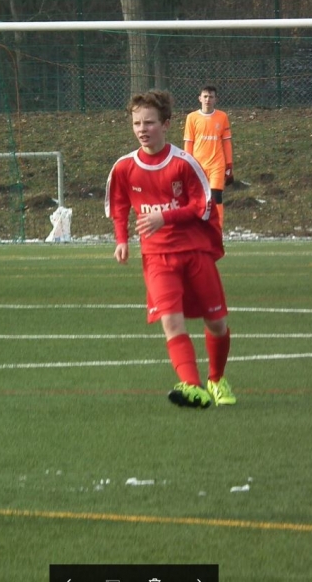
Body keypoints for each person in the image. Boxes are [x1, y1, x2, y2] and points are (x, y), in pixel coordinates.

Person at [106, 90, 234, 408]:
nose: (142, 129)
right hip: (157, 257)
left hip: (195, 253)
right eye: (137, 123)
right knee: (171, 322)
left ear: (165, 124)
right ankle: (191, 386)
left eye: (149, 122)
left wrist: (165, 216)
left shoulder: (184, 164)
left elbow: (203, 205)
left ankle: (216, 379)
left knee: (216, 323)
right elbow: (119, 204)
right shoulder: (124, 167)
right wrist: (121, 239)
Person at [183, 85, 234, 229]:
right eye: (205, 96)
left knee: (216, 196)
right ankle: (199, 229)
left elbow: (226, 142)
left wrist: (229, 164)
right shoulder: (192, 118)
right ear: (199, 98)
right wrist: (188, 164)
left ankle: (217, 229)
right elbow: (189, 143)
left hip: (217, 164)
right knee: (198, 199)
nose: (207, 99)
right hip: (198, 165)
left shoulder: (222, 117)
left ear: (216, 99)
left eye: (211, 97)